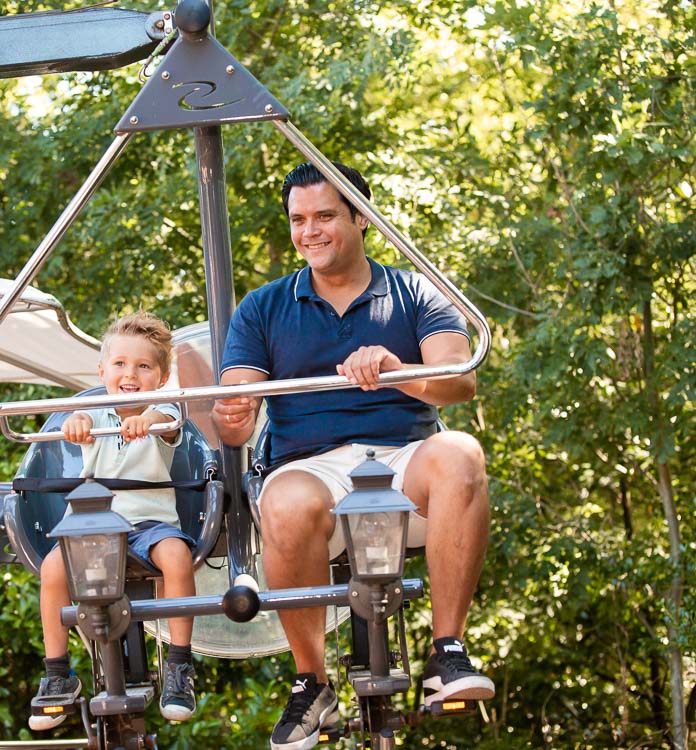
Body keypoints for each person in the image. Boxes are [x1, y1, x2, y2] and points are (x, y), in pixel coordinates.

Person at [212, 162, 494, 750]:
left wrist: (397, 372)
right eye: (297, 219)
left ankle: (448, 653)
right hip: (312, 466)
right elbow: (234, 410)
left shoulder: (417, 291)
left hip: (403, 458)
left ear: (362, 219)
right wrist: (231, 416)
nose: (308, 231)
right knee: (283, 500)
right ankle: (311, 682)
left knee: (461, 454)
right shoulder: (264, 307)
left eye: (324, 216)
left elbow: (459, 382)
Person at [30, 312, 198, 730]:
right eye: (120, 364)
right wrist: (77, 424)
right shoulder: (92, 414)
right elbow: (78, 421)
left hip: (147, 525)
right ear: (102, 370)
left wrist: (148, 421)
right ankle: (57, 673)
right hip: (93, 526)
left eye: (143, 367)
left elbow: (167, 423)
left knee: (176, 556)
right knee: (53, 569)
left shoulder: (164, 413)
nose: (130, 374)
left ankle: (178, 665)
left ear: (161, 377)